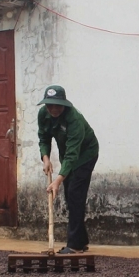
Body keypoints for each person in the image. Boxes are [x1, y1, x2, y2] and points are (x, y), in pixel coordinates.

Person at [37, 85, 99, 254]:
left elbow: (73, 153)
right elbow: (43, 137)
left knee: (74, 194)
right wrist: (46, 158)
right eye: (49, 105)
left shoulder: (74, 120)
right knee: (71, 196)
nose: (53, 109)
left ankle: (75, 245)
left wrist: (58, 180)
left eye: (57, 105)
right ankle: (81, 240)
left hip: (85, 155)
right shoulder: (44, 114)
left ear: (64, 104)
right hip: (69, 157)